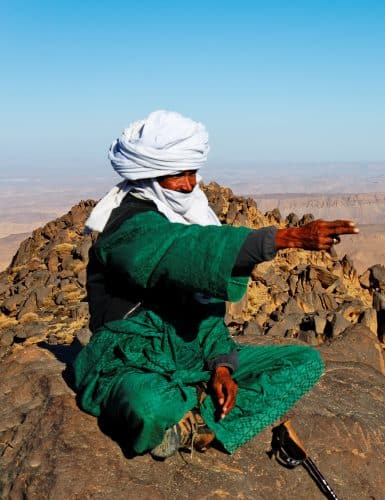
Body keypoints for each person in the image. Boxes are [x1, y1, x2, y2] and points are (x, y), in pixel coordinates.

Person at [73, 110, 358, 459]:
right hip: (132, 359)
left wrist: (221, 367)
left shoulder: (194, 212)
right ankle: (190, 412)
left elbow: (206, 315)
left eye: (193, 172)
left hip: (192, 354)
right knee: (148, 407)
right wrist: (285, 238)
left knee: (304, 361)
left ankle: (192, 423)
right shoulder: (128, 228)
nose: (190, 184)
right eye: (178, 175)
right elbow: (184, 248)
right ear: (149, 175)